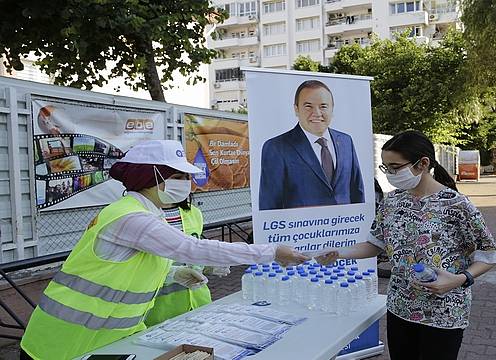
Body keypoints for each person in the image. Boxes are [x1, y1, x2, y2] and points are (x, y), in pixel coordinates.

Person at [20, 140, 308, 360]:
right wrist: (271, 252)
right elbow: (192, 248)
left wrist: (171, 275)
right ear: (152, 176)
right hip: (63, 341)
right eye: (179, 177)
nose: (187, 184)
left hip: (110, 338)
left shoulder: (145, 213)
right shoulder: (130, 217)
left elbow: (123, 267)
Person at [316, 130, 496, 360]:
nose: (390, 174)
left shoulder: (457, 205)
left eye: (395, 167)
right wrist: (339, 253)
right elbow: (375, 244)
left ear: (422, 163)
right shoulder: (392, 201)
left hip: (443, 313)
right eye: (385, 168)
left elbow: (488, 255)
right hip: (400, 308)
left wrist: (460, 279)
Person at [258, 79, 364, 210]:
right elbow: (269, 204)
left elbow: (357, 191)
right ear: (296, 109)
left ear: (332, 109)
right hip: (300, 229)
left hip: (344, 228)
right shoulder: (276, 147)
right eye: (308, 106)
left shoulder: (346, 141)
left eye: (323, 106)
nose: (317, 113)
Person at [143, 195, 224, 327]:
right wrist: (172, 274)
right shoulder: (140, 217)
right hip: (159, 311)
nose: (184, 182)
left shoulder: (194, 212)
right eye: (176, 177)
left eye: (186, 177)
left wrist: (207, 265)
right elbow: (135, 267)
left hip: (199, 304)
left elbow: (193, 252)